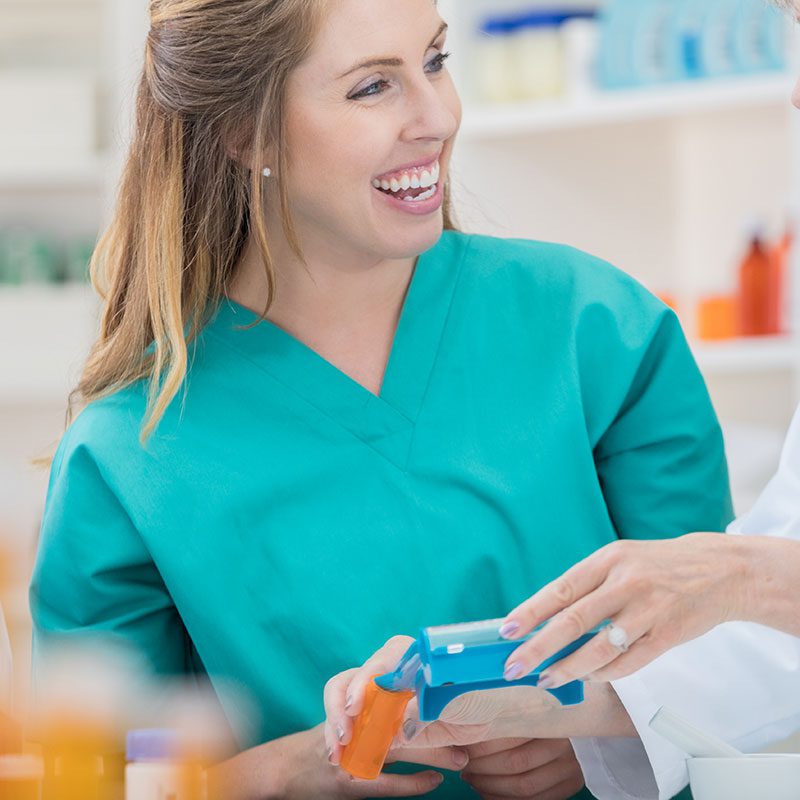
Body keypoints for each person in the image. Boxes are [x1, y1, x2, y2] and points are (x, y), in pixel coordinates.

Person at [29, 1, 733, 798]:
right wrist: (288, 772)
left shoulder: (595, 328)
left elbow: (727, 652)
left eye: (435, 62)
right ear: (243, 132)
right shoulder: (129, 450)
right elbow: (96, 780)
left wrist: (616, 737)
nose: (438, 118)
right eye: (372, 87)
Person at [326, 5, 800, 798]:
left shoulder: (594, 322)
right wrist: (526, 703)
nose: (795, 94)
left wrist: (744, 574)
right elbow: (775, 645)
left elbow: (769, 593)